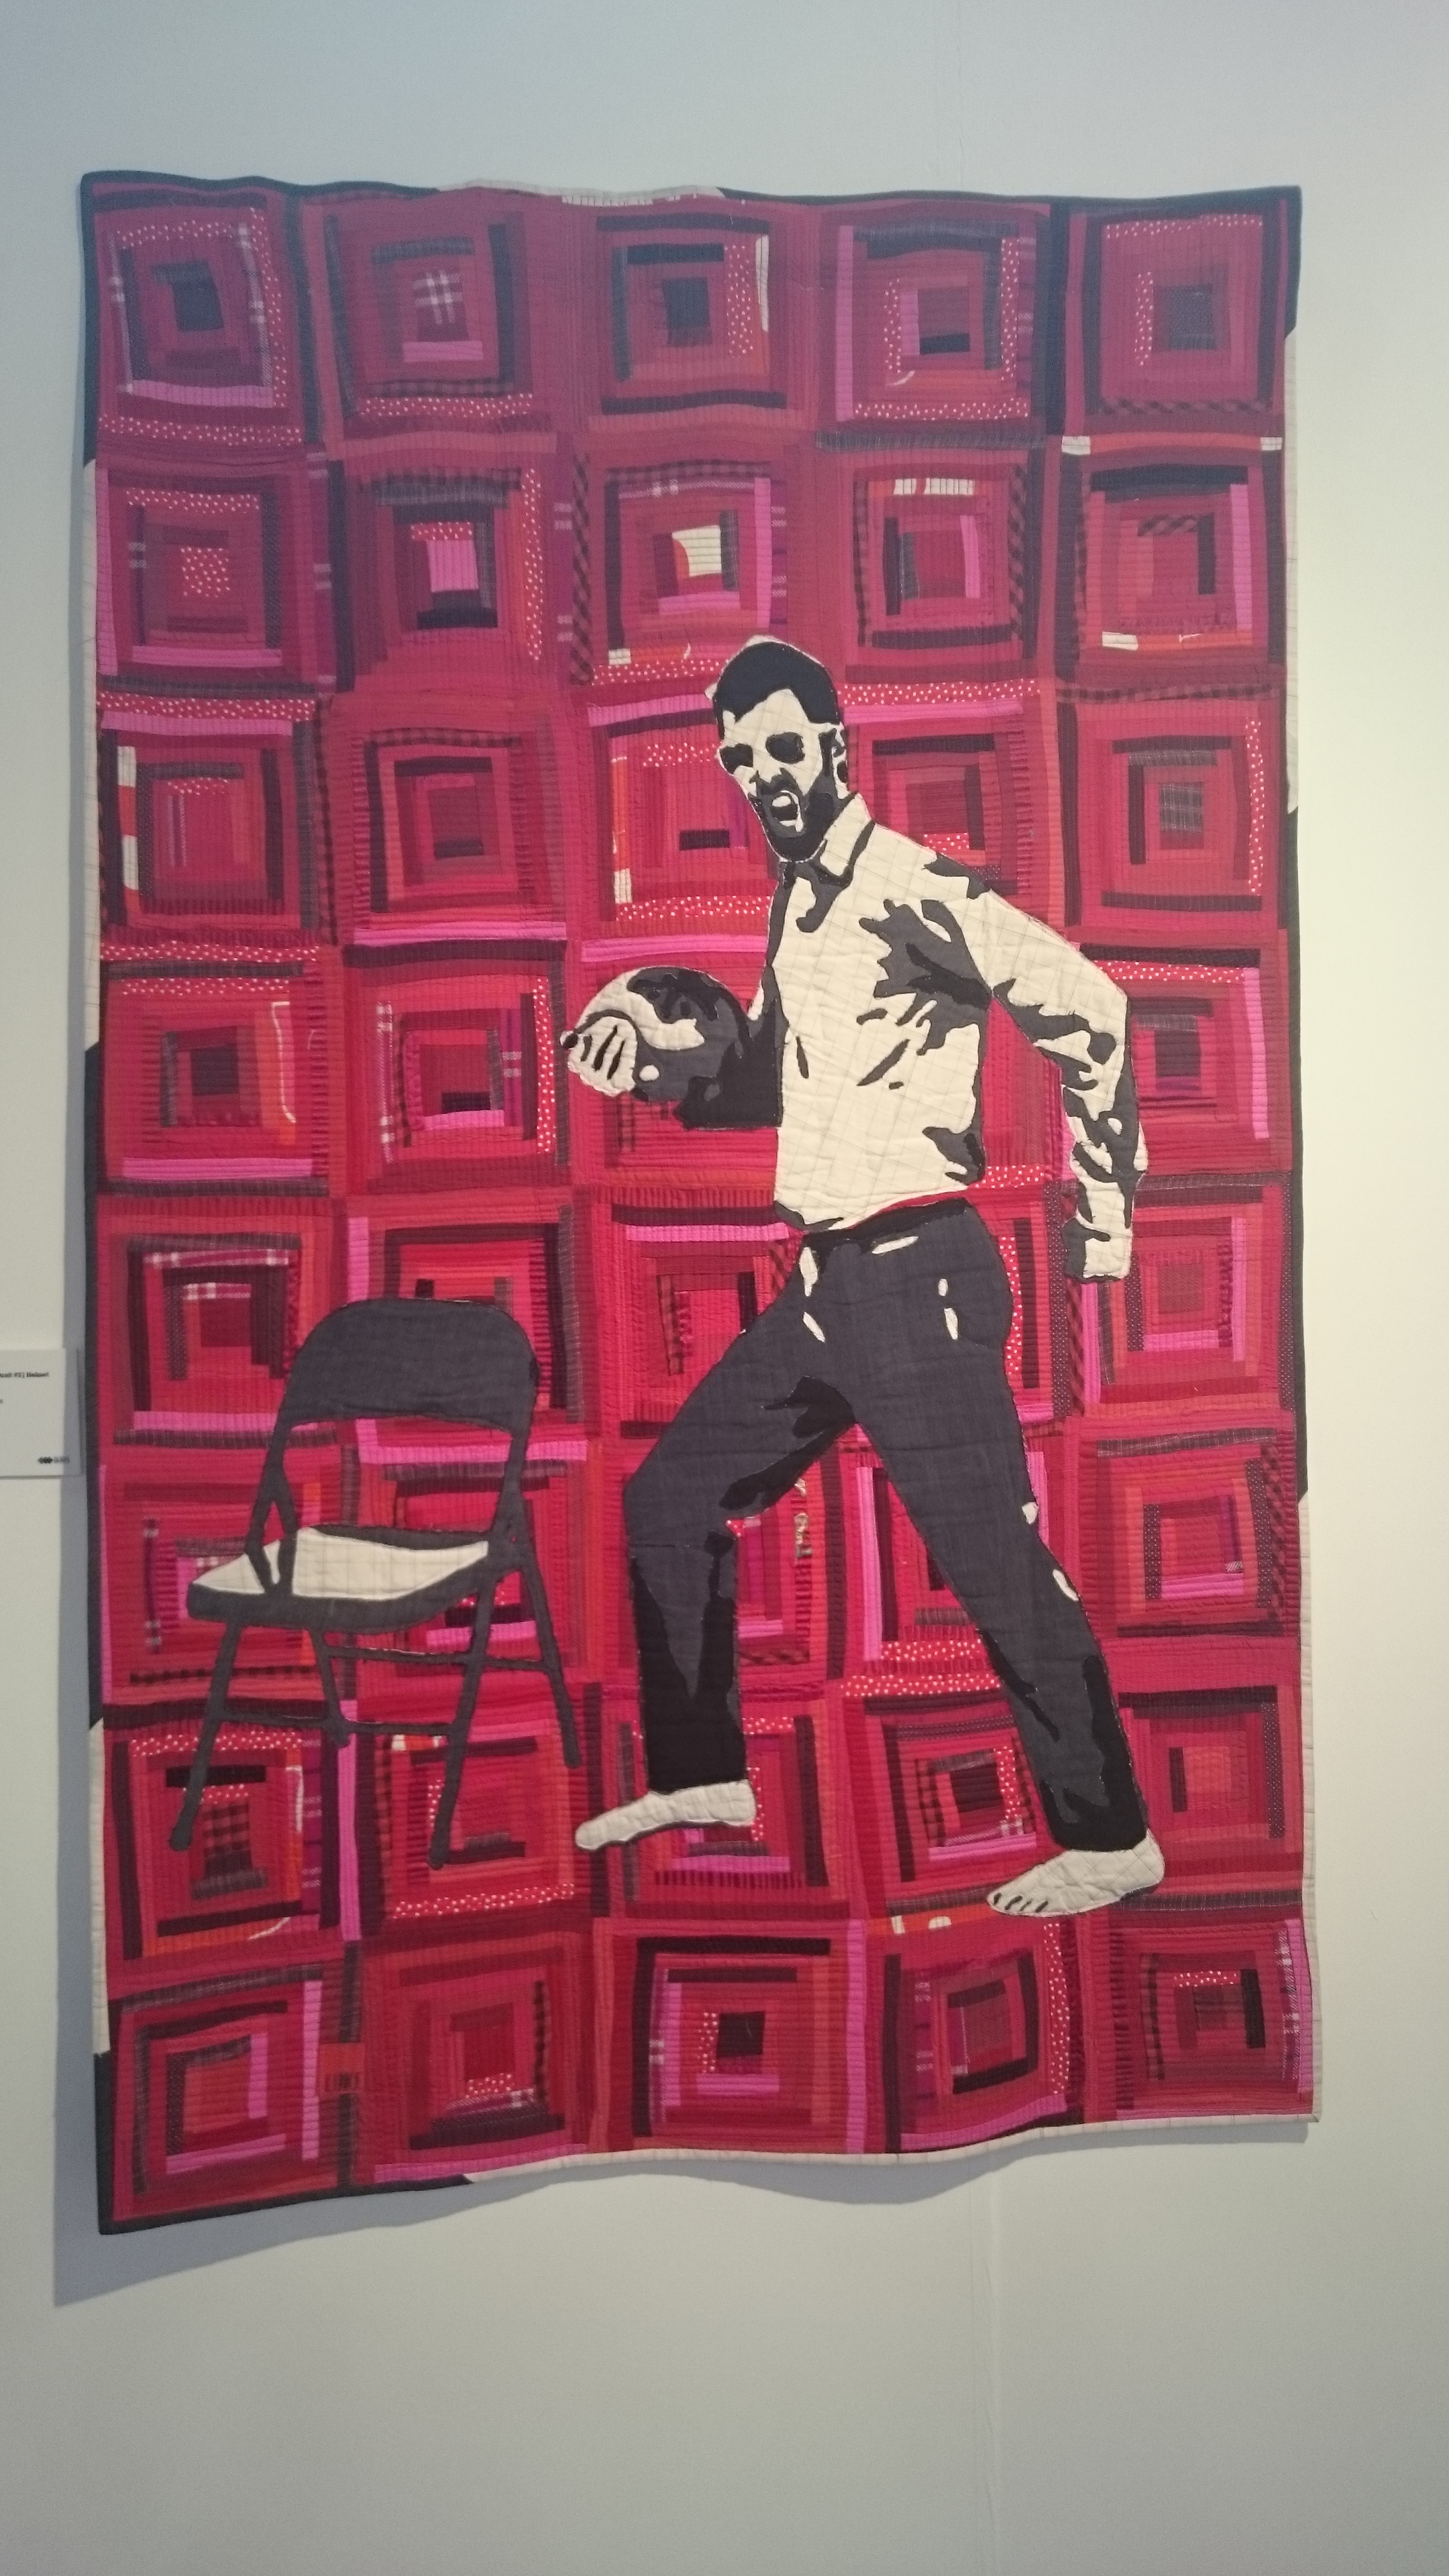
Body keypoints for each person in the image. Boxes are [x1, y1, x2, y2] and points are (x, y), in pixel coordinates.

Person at [561, 636, 1163, 1917]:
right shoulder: (798, 905)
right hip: (829, 1287)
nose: (766, 777)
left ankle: (1113, 1838)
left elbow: (1092, 1009)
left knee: (993, 1562)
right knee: (671, 1498)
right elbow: (778, 1085)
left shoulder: (906, 884)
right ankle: (703, 1775)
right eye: (743, 761)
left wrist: (1106, 1215)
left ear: (834, 746)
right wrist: (649, 1051)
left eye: (785, 748)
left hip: (917, 1278)